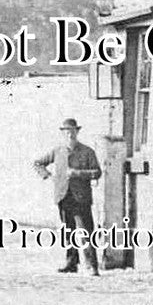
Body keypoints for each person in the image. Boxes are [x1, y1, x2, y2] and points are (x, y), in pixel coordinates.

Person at [32, 118, 101, 276]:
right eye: (66, 131)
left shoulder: (87, 151)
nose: (70, 134)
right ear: (63, 133)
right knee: (68, 231)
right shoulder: (57, 151)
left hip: (81, 198)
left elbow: (97, 172)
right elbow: (38, 163)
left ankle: (92, 266)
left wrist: (77, 173)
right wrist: (48, 176)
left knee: (85, 231)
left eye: (72, 131)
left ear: (77, 132)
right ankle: (71, 263)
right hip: (63, 196)